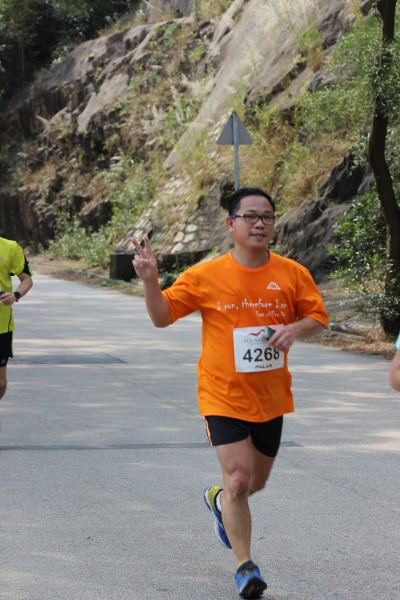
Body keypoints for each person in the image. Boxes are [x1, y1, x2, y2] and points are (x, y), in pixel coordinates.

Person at [131, 187, 328, 599]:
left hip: (271, 397)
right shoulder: (206, 275)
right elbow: (162, 316)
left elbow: (316, 317)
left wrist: (294, 328)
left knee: (254, 483)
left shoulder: (292, 273)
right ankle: (245, 566)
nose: (260, 224)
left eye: (267, 217)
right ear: (231, 223)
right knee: (239, 479)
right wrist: (150, 281)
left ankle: (218, 500)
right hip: (220, 395)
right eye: (250, 216)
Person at [0, 237, 33, 399]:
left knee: (0, 383)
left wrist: (15, 295)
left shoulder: (10, 247)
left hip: (1, 324)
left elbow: (27, 279)